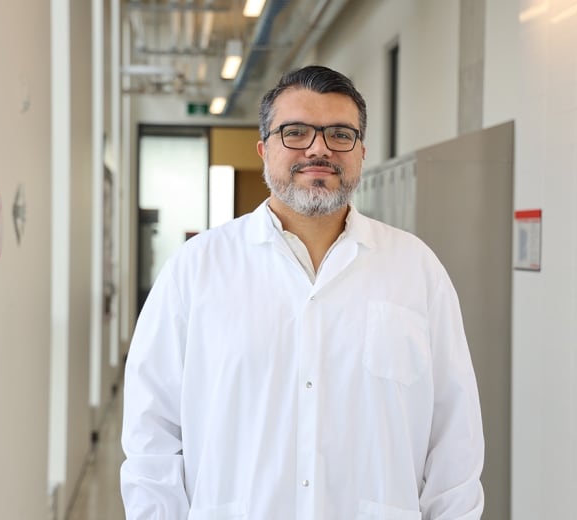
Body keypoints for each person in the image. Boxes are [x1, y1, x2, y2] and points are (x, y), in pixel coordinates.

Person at [120, 65, 484, 519]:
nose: (319, 149)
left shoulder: (415, 270)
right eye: (295, 132)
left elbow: (455, 437)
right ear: (264, 148)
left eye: (340, 135)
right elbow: (151, 433)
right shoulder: (196, 270)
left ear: (361, 152)